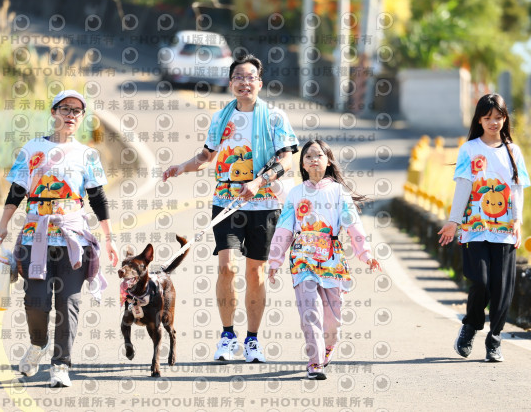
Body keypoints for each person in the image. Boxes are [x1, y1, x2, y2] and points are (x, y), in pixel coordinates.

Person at [162, 54, 299, 363]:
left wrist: (259, 181)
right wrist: (181, 167)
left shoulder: (274, 117)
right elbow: (206, 156)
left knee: (255, 271)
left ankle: (252, 340)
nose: (244, 82)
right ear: (230, 83)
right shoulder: (221, 118)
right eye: (238, 77)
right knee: (226, 267)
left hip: (265, 204)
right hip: (226, 202)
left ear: (260, 83)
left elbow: (287, 159)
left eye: (250, 77)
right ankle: (227, 335)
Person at [0, 90, 119, 387]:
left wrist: (109, 238)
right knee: (35, 301)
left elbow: (97, 198)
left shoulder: (87, 155)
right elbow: (17, 191)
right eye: (65, 108)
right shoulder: (32, 148)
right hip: (34, 237)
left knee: (69, 303)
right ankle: (39, 344)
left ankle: (61, 365)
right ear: (53, 112)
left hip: (73, 239)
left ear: (82, 117)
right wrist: (2, 225)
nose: (71, 115)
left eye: (77, 111)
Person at [267, 139, 383, 380]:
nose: (313, 160)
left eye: (318, 155)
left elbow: (353, 224)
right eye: (308, 156)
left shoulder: (339, 192)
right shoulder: (296, 193)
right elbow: (284, 228)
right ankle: (315, 362)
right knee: (310, 312)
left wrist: (366, 254)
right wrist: (275, 260)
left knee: (332, 320)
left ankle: (328, 346)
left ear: (328, 160)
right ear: (303, 164)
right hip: (302, 259)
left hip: (332, 259)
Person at [438, 93, 531, 362]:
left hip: (505, 229)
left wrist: (518, 221)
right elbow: (464, 186)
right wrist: (454, 221)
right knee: (480, 281)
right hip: (475, 227)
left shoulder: (513, 151)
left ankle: (495, 339)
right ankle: (470, 326)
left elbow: (517, 189)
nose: (493, 122)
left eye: (498, 117)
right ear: (479, 119)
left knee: (502, 288)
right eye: (488, 117)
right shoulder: (469, 149)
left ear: (505, 119)